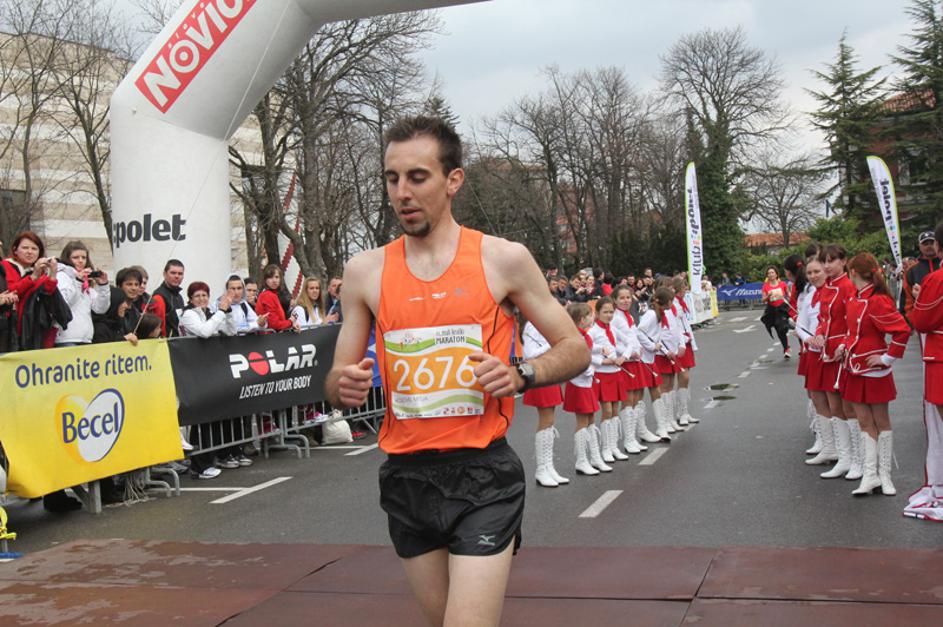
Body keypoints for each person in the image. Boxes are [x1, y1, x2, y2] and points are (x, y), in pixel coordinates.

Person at [325, 116, 589, 627]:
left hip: (483, 475)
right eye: (391, 178)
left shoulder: (502, 259)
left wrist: (521, 373)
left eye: (417, 177)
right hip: (406, 477)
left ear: (453, 180)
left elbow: (574, 347)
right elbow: (337, 381)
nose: (402, 192)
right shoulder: (364, 272)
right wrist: (343, 386)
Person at [834, 253, 912, 496]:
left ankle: (885, 475)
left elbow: (902, 331)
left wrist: (887, 358)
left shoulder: (878, 300)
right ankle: (870, 476)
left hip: (874, 369)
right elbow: (852, 332)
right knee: (864, 422)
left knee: (881, 421)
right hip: (853, 367)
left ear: (853, 272)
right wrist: (844, 345)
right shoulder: (854, 298)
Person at [179, 281, 243, 477]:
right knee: (201, 418)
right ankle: (199, 465)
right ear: (191, 299)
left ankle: (213, 457)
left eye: (204, 295)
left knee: (214, 416)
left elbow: (231, 331)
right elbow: (205, 332)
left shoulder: (210, 313)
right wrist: (221, 312)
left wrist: (228, 311)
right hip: (195, 371)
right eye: (197, 296)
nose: (201, 299)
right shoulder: (188, 314)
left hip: (211, 370)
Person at [808, 245, 859, 480]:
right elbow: (823, 318)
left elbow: (855, 320)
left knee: (850, 408)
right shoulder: (827, 287)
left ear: (844, 261)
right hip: (828, 352)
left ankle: (858, 460)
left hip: (844, 352)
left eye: (832, 261)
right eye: (824, 261)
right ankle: (844, 457)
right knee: (834, 407)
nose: (827, 266)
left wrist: (846, 344)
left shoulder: (848, 286)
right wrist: (819, 333)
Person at [521, 315, 568, 487]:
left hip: (550, 373)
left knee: (550, 422)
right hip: (540, 373)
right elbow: (528, 354)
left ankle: (549, 467)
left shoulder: (545, 323)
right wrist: (553, 345)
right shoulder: (531, 326)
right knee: (546, 421)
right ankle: (541, 469)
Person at [563, 301, 606, 475]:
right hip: (578, 383)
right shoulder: (575, 339)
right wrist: (594, 366)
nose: (592, 317)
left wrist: (601, 350)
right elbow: (576, 362)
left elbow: (589, 350)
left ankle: (594, 456)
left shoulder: (584, 336)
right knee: (582, 421)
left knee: (591, 418)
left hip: (586, 382)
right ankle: (581, 460)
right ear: (582, 319)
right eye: (590, 314)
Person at [2, 231, 62, 349]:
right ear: (15, 250)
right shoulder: (5, 266)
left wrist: (52, 275)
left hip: (31, 329)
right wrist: (33, 277)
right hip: (8, 328)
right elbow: (10, 292)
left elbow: (47, 293)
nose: (30, 252)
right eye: (25, 248)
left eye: (34, 249)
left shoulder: (39, 270)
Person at [588, 296, 629, 465]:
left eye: (611, 312)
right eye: (605, 312)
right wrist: (602, 361)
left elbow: (629, 341)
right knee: (607, 410)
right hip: (602, 374)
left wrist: (623, 357)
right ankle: (605, 449)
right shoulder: (592, 331)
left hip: (615, 372)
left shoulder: (613, 328)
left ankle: (613, 447)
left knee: (615, 410)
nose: (609, 315)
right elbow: (585, 352)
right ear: (597, 313)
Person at [611, 285, 650, 453]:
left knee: (635, 399)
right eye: (622, 298)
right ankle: (628, 439)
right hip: (626, 362)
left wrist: (639, 348)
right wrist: (628, 353)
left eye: (628, 297)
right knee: (628, 400)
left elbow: (633, 337)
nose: (626, 301)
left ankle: (633, 437)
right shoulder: (615, 318)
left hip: (635, 360)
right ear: (614, 300)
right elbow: (614, 341)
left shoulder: (629, 316)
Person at [54, 241, 111, 347]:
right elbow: (63, 304)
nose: (80, 261)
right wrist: (78, 282)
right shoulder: (62, 276)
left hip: (86, 337)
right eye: (76, 257)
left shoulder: (85, 280)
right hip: (66, 338)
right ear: (68, 259)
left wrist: (103, 286)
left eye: (84, 257)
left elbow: (100, 308)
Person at [637, 287, 675, 441]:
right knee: (639, 396)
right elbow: (639, 332)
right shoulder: (651, 314)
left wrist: (663, 350)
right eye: (671, 300)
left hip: (651, 358)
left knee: (656, 392)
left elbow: (657, 337)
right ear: (664, 301)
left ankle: (662, 426)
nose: (672, 303)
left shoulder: (659, 314)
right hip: (643, 359)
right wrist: (652, 346)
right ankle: (642, 430)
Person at [671, 276, 699, 426]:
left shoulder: (680, 303)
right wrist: (682, 338)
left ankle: (684, 411)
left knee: (686, 378)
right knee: (683, 377)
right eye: (683, 288)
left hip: (686, 341)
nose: (685, 290)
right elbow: (673, 326)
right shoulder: (673, 304)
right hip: (679, 343)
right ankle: (680, 412)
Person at [900, 231, 940, 317]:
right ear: (920, 246)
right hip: (923, 319)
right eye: (925, 244)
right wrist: (912, 320)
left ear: (937, 244)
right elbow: (907, 300)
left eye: (932, 243)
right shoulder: (912, 271)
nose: (929, 246)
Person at [256, 265, 299, 332]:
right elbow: (274, 324)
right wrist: (290, 321)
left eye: (277, 277)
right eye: (270, 277)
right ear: (265, 280)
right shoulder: (267, 295)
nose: (274, 280)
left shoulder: (272, 294)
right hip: (270, 336)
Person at [761, 266, 791, 358]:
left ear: (776, 274)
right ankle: (786, 347)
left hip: (782, 309)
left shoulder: (782, 284)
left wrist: (790, 299)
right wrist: (768, 296)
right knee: (778, 330)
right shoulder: (765, 286)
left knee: (782, 328)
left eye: (772, 272)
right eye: (769, 273)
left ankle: (788, 349)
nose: (771, 274)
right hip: (771, 310)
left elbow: (789, 295)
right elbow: (763, 300)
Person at [150, 259, 186, 337]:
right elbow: (158, 327)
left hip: (180, 341)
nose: (177, 276)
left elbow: (181, 323)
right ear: (164, 274)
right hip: (167, 342)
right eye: (173, 273)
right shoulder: (159, 297)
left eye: (180, 274)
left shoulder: (179, 297)